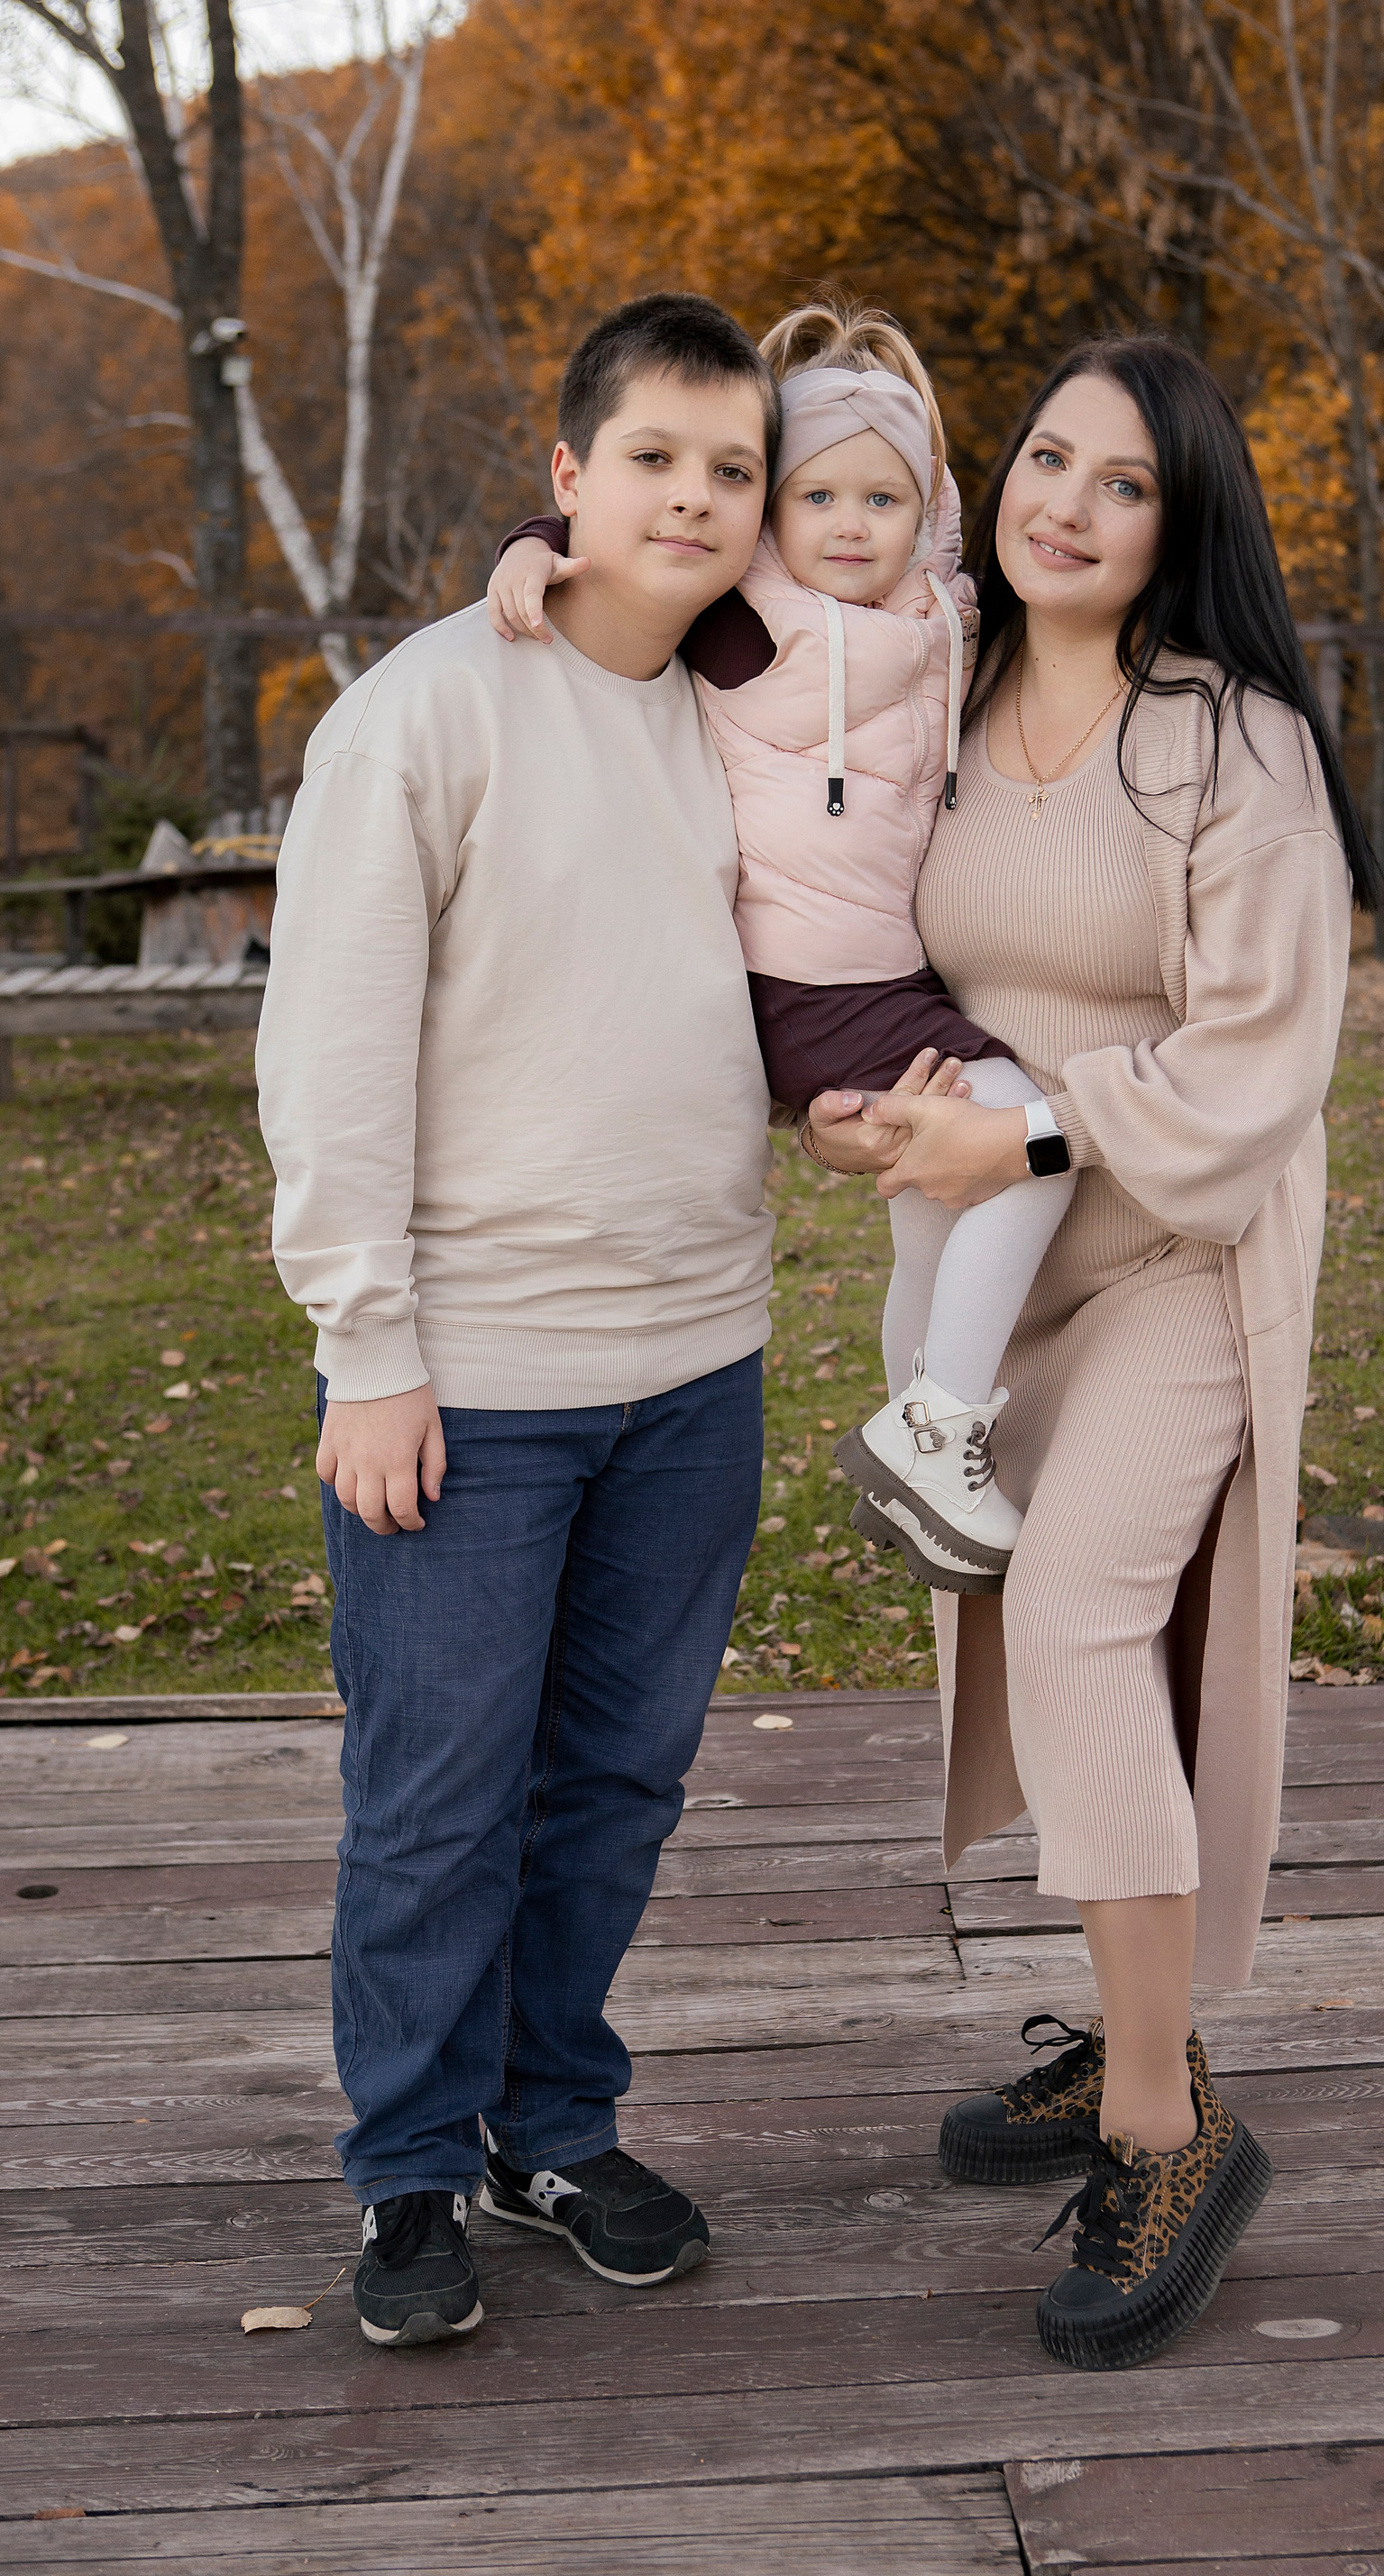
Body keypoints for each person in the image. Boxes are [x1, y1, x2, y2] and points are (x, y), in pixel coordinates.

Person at [807, 333, 1376, 2370]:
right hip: (995, 1272)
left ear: (1178, 522)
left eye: (1123, 483)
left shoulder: (1232, 744)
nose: (1067, 503)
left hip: (1182, 1258)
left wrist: (1029, 1132)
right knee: (1058, 1647)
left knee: (1075, 1617)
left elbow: (1263, 1059)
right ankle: (1141, 2037)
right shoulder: (938, 690)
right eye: (1049, 456)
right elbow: (836, 901)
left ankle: (1164, 2127)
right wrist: (854, 1108)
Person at [256, 291, 801, 2349]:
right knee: (438, 1799)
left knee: (619, 1785)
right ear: (569, 475)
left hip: (698, 1357)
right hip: (471, 1375)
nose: (695, 497)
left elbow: (922, 567)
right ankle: (408, 2167)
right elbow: (330, 1051)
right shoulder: (425, 713)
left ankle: (547, 2124)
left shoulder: (750, 719)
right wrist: (368, 1348)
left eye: (732, 469)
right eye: (652, 457)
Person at [488, 297, 1077, 1597]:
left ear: (925, 508)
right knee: (1034, 1143)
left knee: (937, 1205)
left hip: (882, 973)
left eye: (883, 498)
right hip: (805, 984)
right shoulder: (746, 620)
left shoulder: (945, 616)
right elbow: (628, 550)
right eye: (817, 498)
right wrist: (535, 544)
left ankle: (921, 1435)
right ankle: (941, 1429)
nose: (850, 525)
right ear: (774, 512)